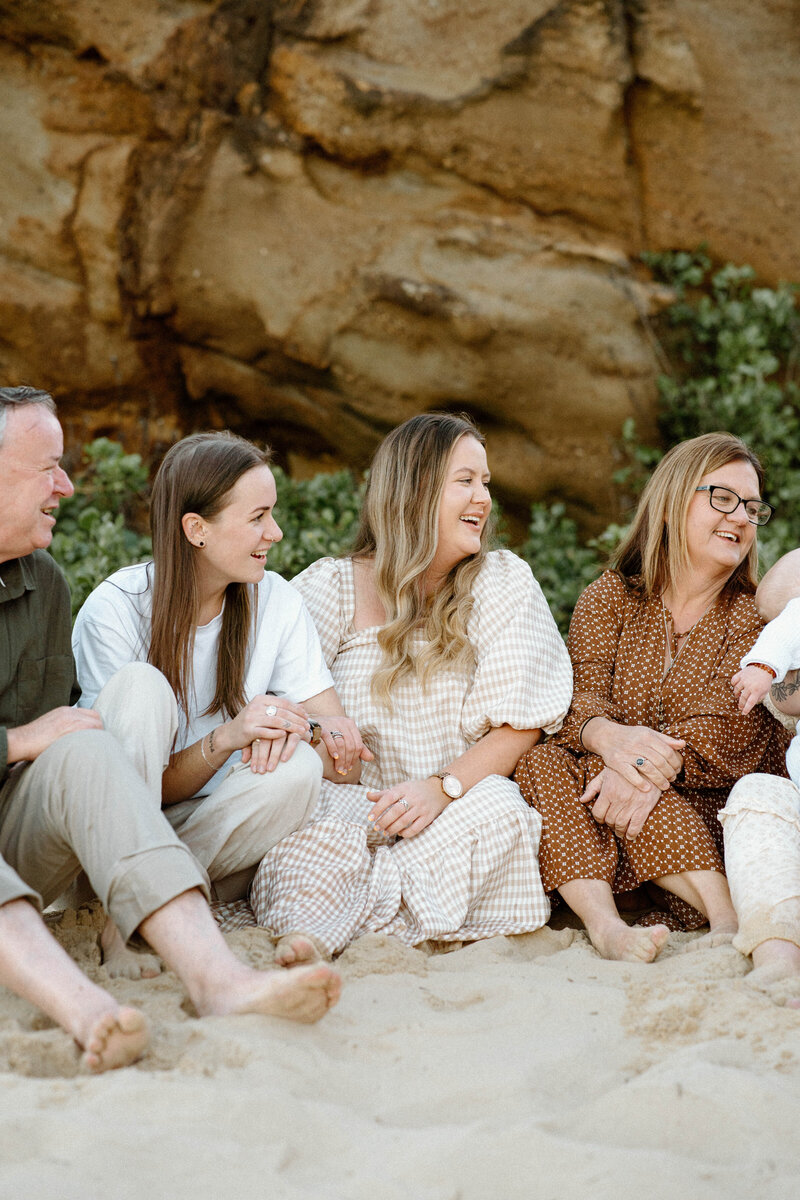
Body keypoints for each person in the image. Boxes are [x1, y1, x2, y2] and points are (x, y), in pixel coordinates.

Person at [0, 387, 340, 1073]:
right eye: (49, 468)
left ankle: (219, 980)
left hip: (19, 834)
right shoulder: (118, 602)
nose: (66, 486)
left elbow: (52, 755)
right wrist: (11, 742)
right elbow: (24, 745)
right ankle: (86, 1009)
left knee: (87, 743)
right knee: (113, 707)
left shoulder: (44, 583)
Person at [222, 411, 573, 961]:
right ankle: (319, 934)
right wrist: (329, 745)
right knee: (311, 837)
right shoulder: (329, 586)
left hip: (454, 804)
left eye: (486, 483)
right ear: (414, 489)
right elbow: (278, 709)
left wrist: (440, 790)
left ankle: (342, 917)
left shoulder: (502, 581)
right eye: (465, 481)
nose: (483, 498)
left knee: (502, 811)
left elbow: (520, 724)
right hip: (350, 807)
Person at [72, 431, 369, 977]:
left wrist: (298, 729)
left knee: (297, 769)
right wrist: (229, 737)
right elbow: (117, 782)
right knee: (141, 686)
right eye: (258, 517)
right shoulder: (115, 611)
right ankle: (120, 926)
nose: (275, 534)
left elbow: (342, 763)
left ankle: (160, 899)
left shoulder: (274, 601)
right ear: (196, 530)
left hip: (211, 833)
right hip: (116, 832)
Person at [513, 431, 791, 963]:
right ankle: (607, 928)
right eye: (723, 498)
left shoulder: (753, 615)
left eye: (753, 509)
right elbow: (575, 697)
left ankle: (725, 916)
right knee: (542, 761)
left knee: (640, 790)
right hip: (607, 800)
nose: (741, 518)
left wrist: (637, 765)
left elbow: (733, 726)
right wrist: (614, 741)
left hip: (705, 813)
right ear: (672, 500)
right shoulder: (612, 596)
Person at [720, 548, 800, 997]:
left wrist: (761, 665)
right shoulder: (786, 661)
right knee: (755, 794)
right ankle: (777, 953)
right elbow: (786, 693)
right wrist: (765, 669)